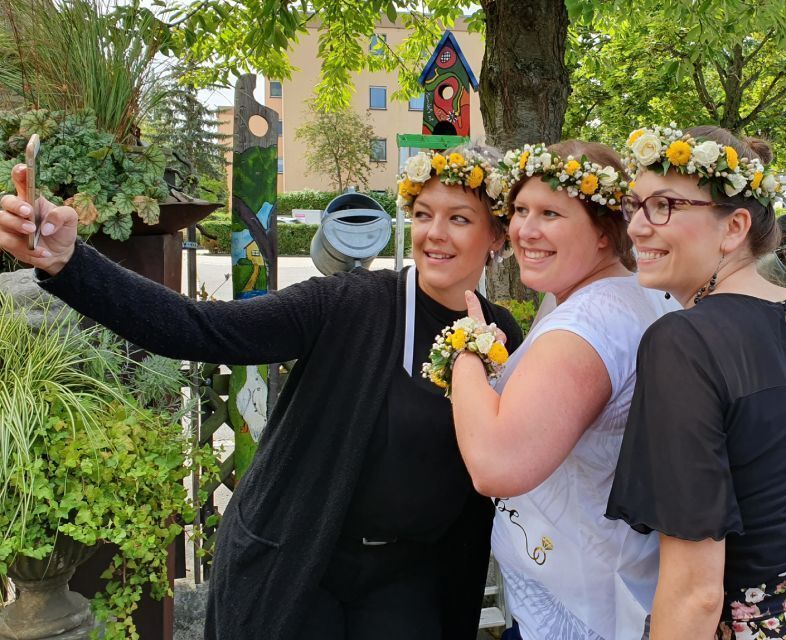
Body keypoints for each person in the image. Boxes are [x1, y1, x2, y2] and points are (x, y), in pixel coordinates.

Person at [0, 144, 523, 640]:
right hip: (302, 562)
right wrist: (69, 262)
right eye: (424, 213)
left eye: (459, 218)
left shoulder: (505, 338)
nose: (435, 233)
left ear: (496, 236)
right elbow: (198, 327)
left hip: (409, 580)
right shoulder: (349, 303)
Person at [605, 124, 786, 639]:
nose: (635, 227)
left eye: (665, 206)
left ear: (734, 226)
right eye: (636, 205)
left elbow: (695, 593)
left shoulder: (682, 342)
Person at [425, 140, 675, 640]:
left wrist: (466, 350)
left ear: (605, 233)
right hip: (602, 581)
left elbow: (497, 465)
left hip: (581, 600)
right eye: (519, 210)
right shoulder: (632, 296)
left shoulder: (589, 321)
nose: (525, 230)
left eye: (551, 214)